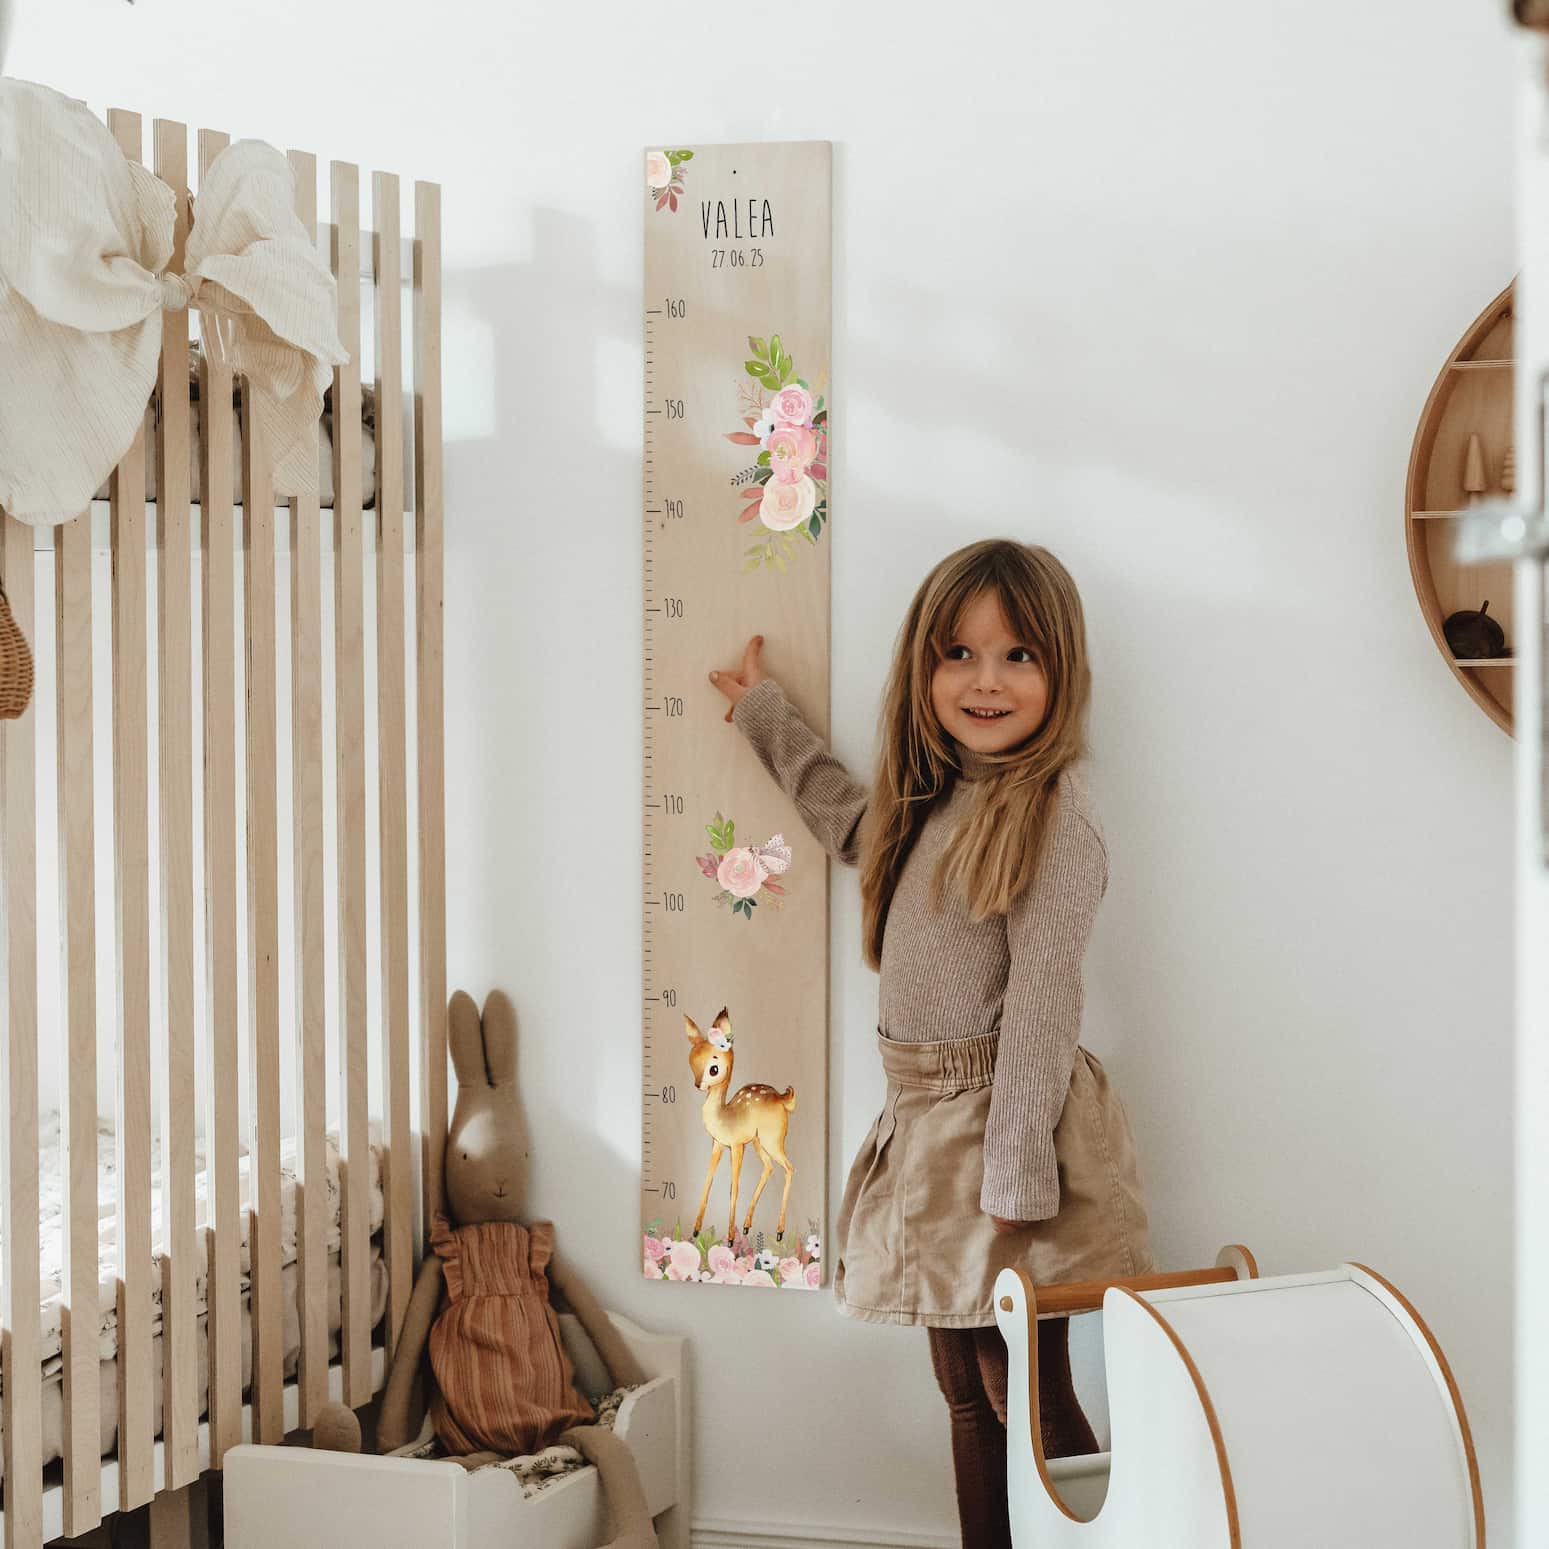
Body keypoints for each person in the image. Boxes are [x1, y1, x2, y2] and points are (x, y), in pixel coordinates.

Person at [709, 537, 1153, 1549]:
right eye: (958, 654)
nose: (984, 681)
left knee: (1024, 1393)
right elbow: (849, 822)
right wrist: (764, 716)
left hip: (1004, 1130)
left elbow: (1044, 1010)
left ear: (1060, 672)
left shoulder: (1051, 820)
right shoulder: (934, 801)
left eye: (1016, 657)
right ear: (924, 668)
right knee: (963, 1389)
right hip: (927, 1122)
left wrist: (1016, 1177)